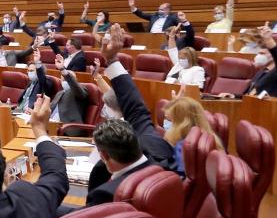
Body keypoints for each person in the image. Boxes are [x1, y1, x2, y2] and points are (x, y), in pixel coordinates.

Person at [92, 26, 177, 173]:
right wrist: (111, 60)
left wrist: (111, 59)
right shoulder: (154, 148)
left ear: (105, 156)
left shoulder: (106, 191)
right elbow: (137, 113)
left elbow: (137, 113)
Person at [218, 25, 277, 100]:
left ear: (273, 56)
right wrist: (233, 96)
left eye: (262, 53)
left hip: (270, 108)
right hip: (251, 105)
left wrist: (269, 40)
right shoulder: (261, 72)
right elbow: (249, 94)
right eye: (258, 53)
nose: (258, 56)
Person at [162, 97, 218, 172]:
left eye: (171, 121)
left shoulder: (183, 147)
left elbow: (179, 175)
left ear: (182, 124)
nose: (168, 125)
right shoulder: (211, 138)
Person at [49, 68, 90, 133]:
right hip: (50, 124)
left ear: (75, 80)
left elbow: (76, 87)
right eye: (63, 79)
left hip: (66, 128)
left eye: (67, 79)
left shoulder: (80, 90)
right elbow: (50, 109)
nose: (65, 80)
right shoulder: (60, 93)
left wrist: (66, 74)